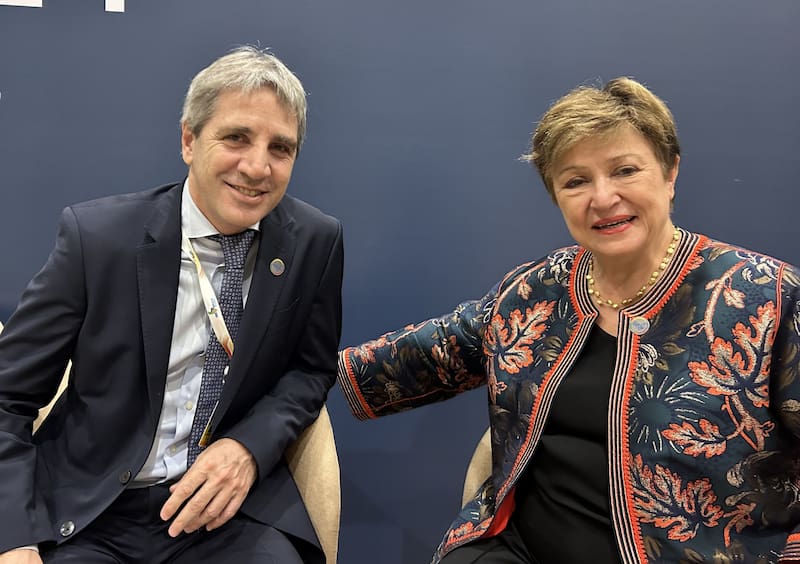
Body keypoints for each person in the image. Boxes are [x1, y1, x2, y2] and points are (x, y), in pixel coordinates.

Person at [338, 77, 800, 563]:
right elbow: (415, 358)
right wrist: (290, 367)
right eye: (575, 180)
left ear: (670, 174)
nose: (602, 198)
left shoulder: (766, 296)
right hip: (518, 547)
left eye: (624, 170)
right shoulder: (536, 289)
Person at [0, 46, 343, 564]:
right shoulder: (98, 239)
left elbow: (309, 371)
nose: (257, 167)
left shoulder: (315, 242)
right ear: (189, 139)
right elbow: (7, 399)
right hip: (95, 511)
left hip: (228, 513)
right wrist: (12, 536)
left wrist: (249, 446)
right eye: (236, 138)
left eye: (281, 148)